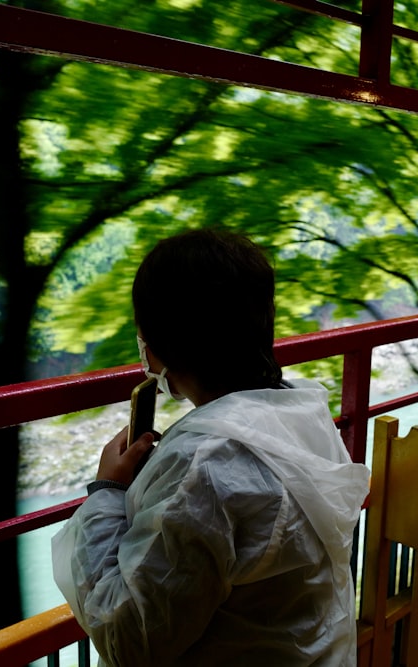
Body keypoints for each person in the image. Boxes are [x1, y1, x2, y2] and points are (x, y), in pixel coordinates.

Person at [51, 228, 370, 666]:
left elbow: (132, 640)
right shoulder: (304, 410)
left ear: (154, 350)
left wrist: (106, 491)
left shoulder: (202, 465)